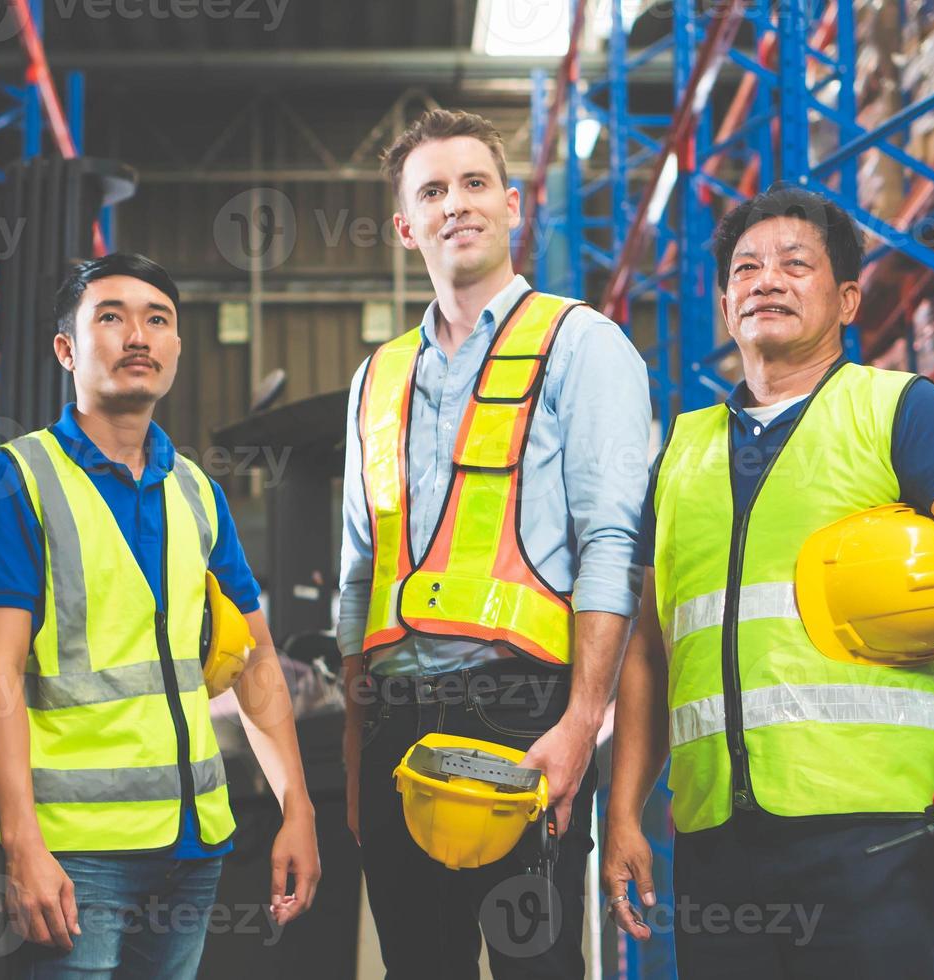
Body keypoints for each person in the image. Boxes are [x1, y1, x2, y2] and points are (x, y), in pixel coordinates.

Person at [602, 184, 934, 979]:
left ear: (845, 299)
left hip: (870, 835)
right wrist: (624, 814)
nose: (766, 279)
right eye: (746, 267)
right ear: (724, 299)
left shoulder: (897, 408)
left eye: (794, 265)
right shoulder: (681, 453)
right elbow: (648, 649)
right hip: (714, 841)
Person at [338, 108, 651, 979]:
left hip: (526, 712)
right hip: (396, 721)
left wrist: (580, 724)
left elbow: (612, 544)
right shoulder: (376, 376)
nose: (456, 204)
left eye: (474, 183)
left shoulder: (580, 345)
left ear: (512, 205)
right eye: (431, 190)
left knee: (536, 965)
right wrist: (358, 751)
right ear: (406, 226)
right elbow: (359, 572)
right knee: (418, 967)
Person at [0, 252, 321, 980]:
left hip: (195, 845)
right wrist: (19, 837)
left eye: (157, 321)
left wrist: (297, 807)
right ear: (66, 348)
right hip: (75, 850)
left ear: (177, 347)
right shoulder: (12, 480)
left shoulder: (195, 491)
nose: (138, 337)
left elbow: (255, 664)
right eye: (111, 318)